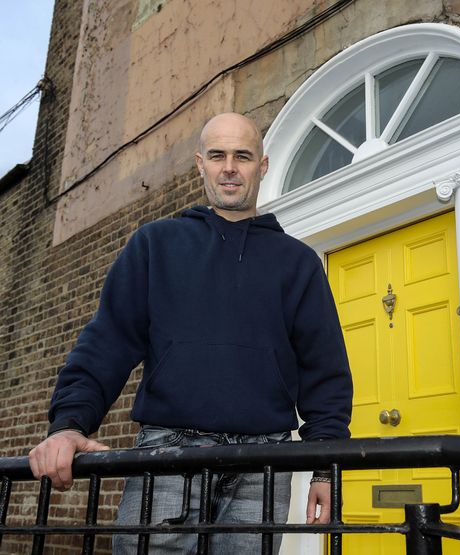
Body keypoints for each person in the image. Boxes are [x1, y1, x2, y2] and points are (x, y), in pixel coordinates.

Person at [28, 112, 353, 553]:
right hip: (166, 455)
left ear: (263, 165)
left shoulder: (298, 263)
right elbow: (106, 343)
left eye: (243, 155)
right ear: (200, 163)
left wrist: (324, 467)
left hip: (266, 464)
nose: (230, 167)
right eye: (218, 155)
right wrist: (68, 425)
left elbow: (325, 370)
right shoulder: (153, 245)